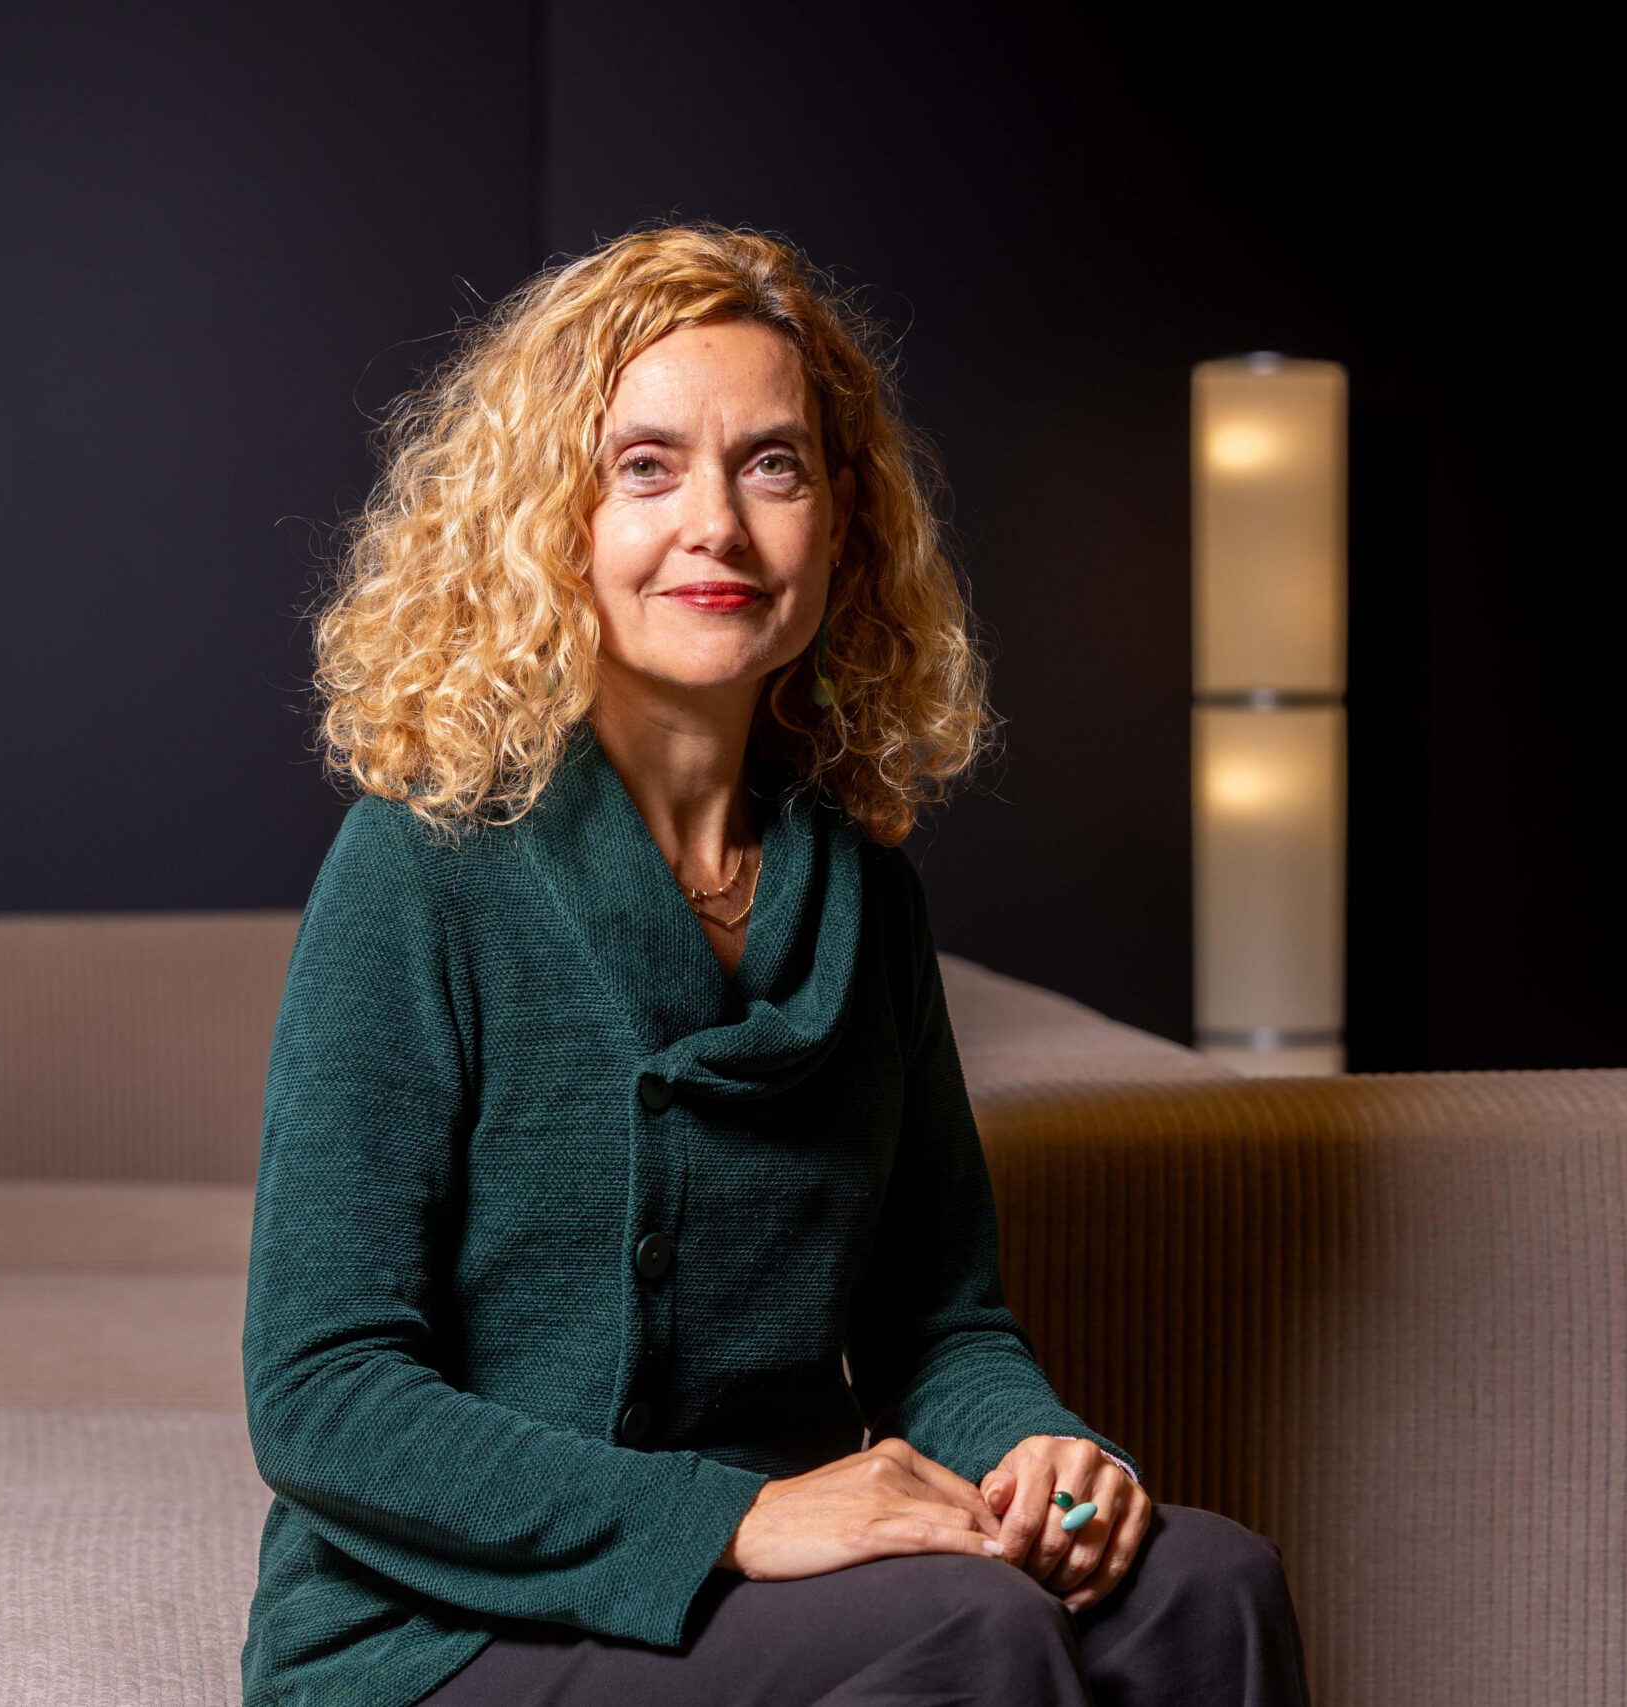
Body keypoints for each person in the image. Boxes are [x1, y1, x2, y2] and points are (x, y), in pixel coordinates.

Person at [242, 224, 1310, 1707]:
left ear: (840, 520)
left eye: (772, 467)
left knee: (1209, 1587)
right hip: (447, 1629)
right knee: (971, 1631)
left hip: (788, 1583)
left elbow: (936, 1323)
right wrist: (736, 1518)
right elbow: (322, 1396)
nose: (718, 528)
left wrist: (1040, 1452)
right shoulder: (420, 865)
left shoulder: (865, 892)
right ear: (550, 519)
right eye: (645, 468)